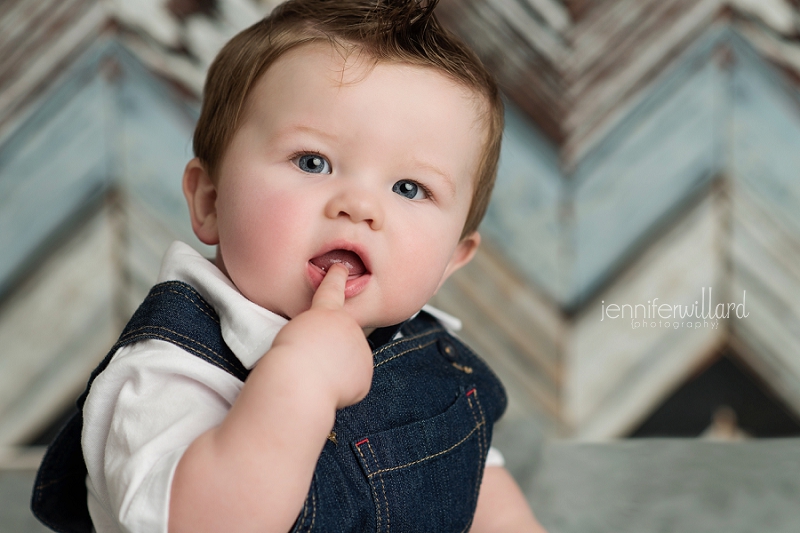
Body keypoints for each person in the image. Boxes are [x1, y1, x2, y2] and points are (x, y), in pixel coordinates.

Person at [32, 0, 547, 531]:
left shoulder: (429, 362)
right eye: (312, 162)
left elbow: (474, 482)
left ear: (449, 262)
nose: (360, 207)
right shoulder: (168, 372)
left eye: (409, 188)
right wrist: (301, 378)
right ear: (211, 201)